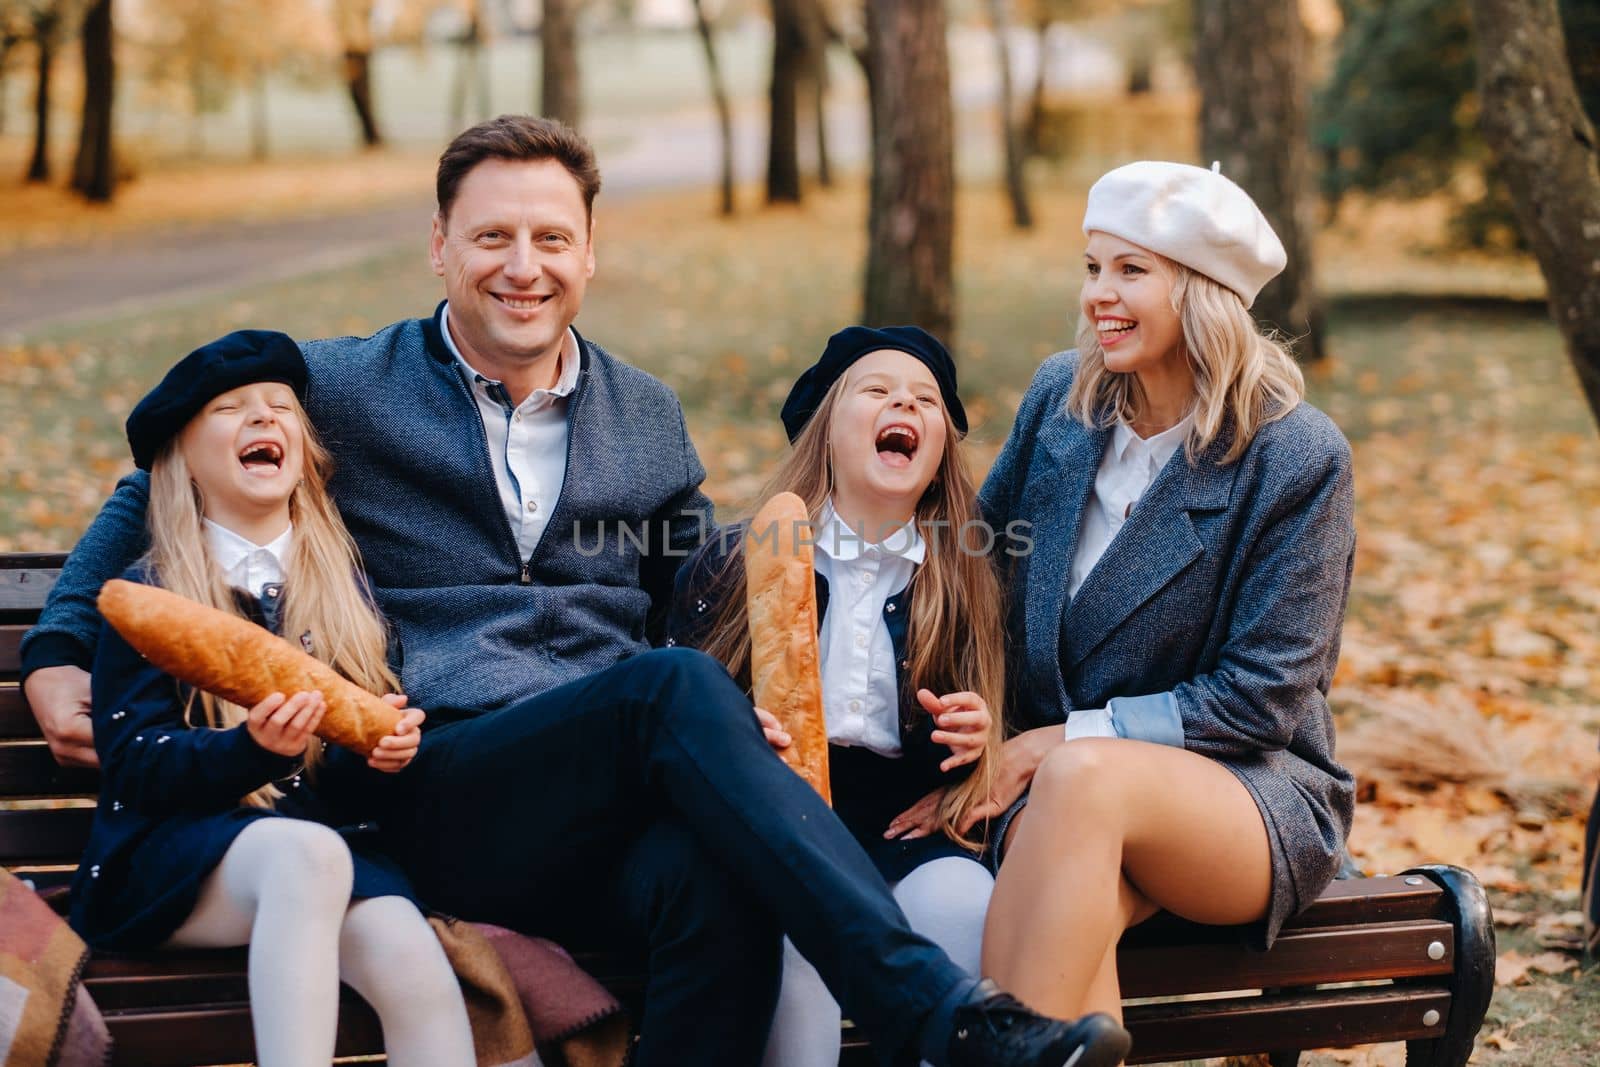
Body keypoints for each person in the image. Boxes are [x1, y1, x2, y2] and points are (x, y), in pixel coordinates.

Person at [21, 115, 1123, 1067]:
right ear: (440, 247)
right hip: (435, 775)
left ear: (589, 255)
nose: (523, 265)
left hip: (603, 796)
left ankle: (924, 1012)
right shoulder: (347, 387)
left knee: (717, 875)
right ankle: (933, 1012)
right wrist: (60, 643)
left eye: (552, 238)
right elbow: (159, 478)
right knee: (666, 690)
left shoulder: (643, 413)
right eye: (492, 236)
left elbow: (707, 579)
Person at [968, 161, 1358, 1021]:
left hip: (1249, 791)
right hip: (1058, 802)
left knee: (1080, 781)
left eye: (1131, 270)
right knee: (1063, 918)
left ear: (1205, 291)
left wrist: (1061, 739)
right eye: (1092, 267)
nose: (1099, 295)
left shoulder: (1294, 458)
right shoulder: (1059, 405)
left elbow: (1262, 700)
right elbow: (977, 571)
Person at [671, 326, 1077, 1067]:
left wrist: (976, 733)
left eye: (925, 399)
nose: (905, 403)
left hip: (905, 825)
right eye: (878, 390)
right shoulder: (734, 562)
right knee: (796, 935)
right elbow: (681, 701)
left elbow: (1007, 718)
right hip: (779, 822)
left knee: (962, 903)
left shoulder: (969, 575)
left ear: (938, 457)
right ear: (825, 429)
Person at [70, 331, 475, 1067]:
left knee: (413, 957)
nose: (263, 419)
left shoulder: (347, 591)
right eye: (231, 409)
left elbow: (349, 766)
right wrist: (247, 749)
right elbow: (133, 761)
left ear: (305, 449)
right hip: (166, 862)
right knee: (308, 854)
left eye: (280, 408)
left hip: (315, 849)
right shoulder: (153, 596)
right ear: (183, 457)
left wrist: (386, 751)